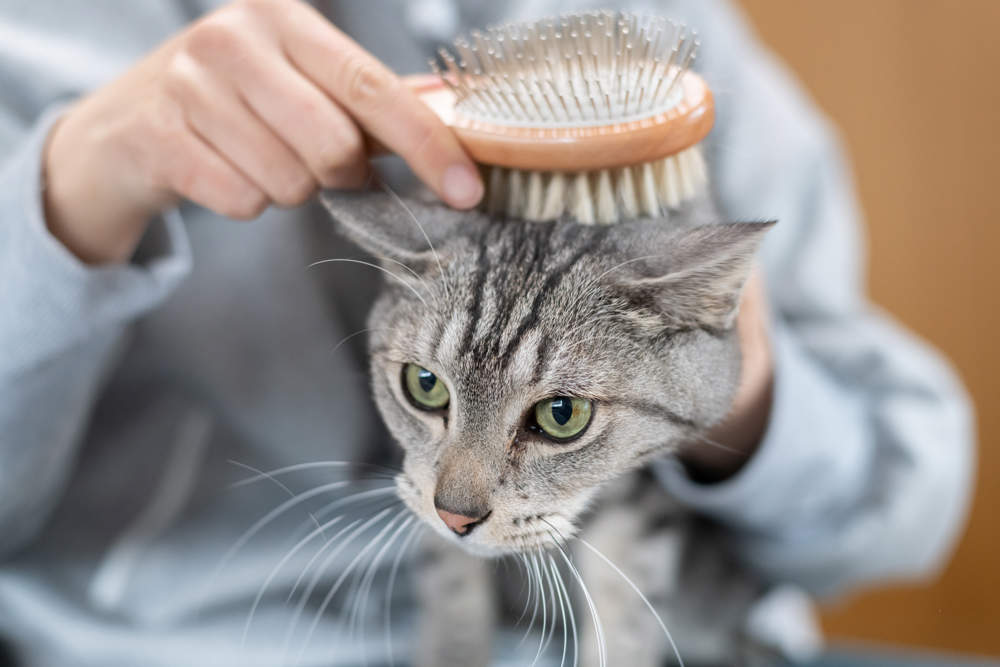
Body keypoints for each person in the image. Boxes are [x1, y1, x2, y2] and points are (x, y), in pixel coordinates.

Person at [0, 0, 974, 665]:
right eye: (421, 392)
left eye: (553, 412)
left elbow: (907, 510)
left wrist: (740, 381)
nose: (453, 499)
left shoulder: (664, 30)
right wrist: (69, 194)